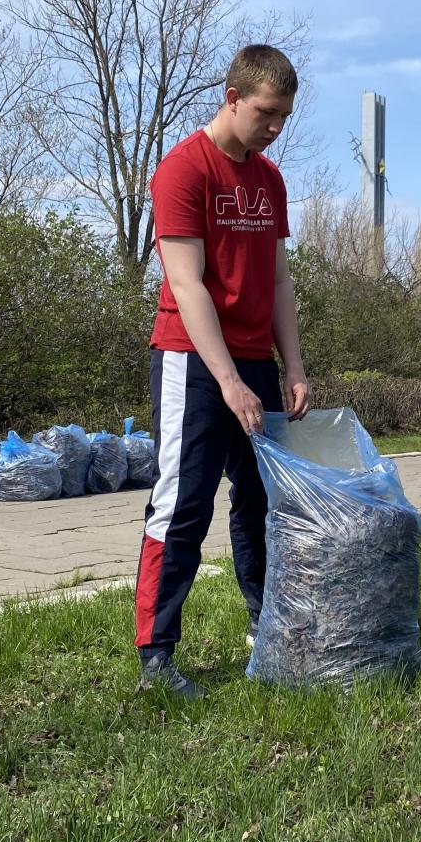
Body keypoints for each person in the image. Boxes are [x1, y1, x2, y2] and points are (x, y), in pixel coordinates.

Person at [135, 44, 310, 699]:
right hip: (192, 359)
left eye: (283, 117)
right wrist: (228, 380)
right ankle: (156, 654)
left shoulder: (268, 180)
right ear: (232, 97)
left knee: (264, 500)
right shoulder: (183, 170)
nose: (273, 127)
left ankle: (266, 625)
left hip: (255, 362)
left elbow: (279, 281)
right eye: (265, 112)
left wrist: (290, 365)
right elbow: (186, 283)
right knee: (182, 501)